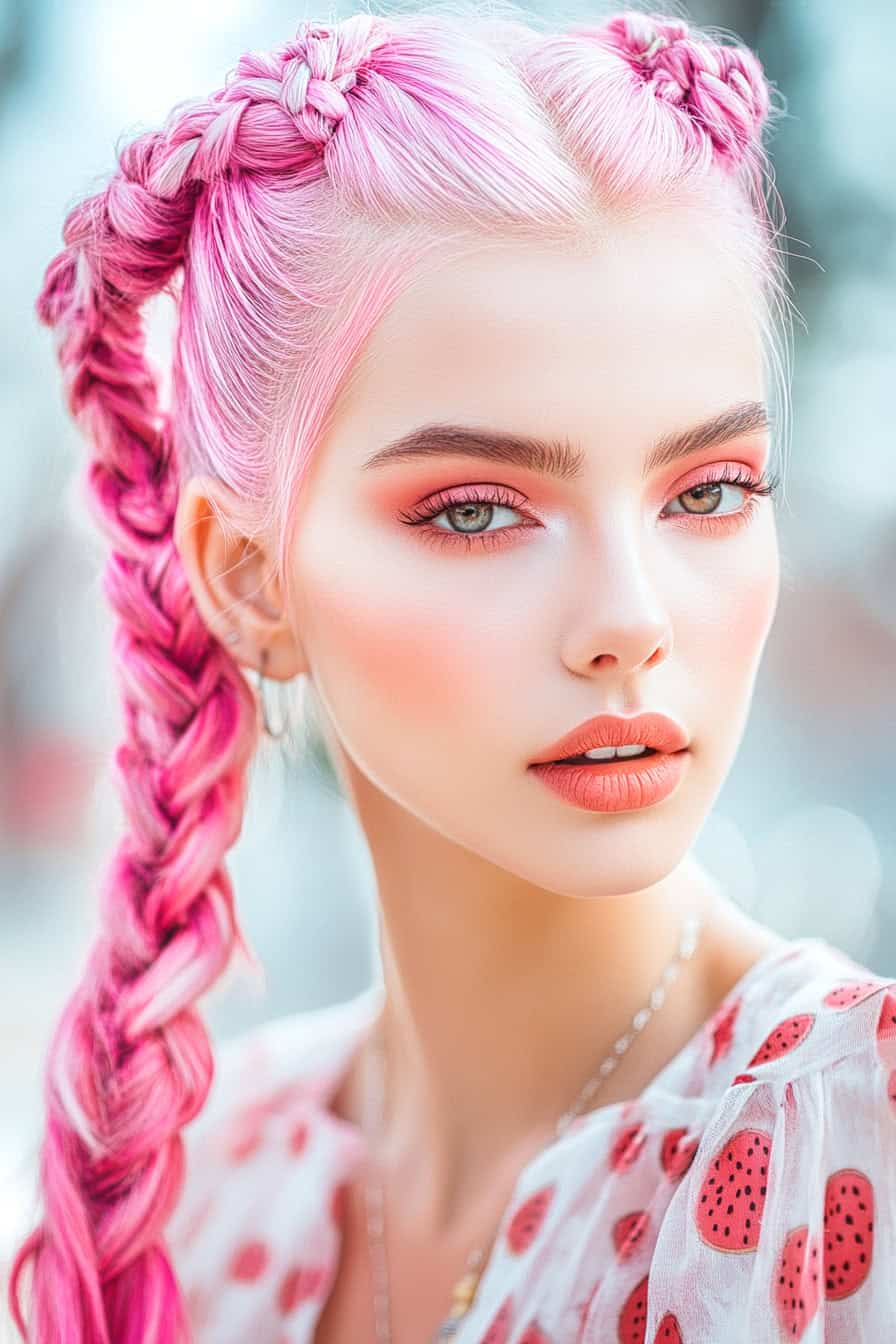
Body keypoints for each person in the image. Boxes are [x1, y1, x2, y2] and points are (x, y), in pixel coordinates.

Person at [9, 4, 896, 1341]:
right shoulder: (197, 1194)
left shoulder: (856, 1142)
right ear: (250, 580)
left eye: (709, 490)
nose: (629, 621)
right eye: (477, 510)